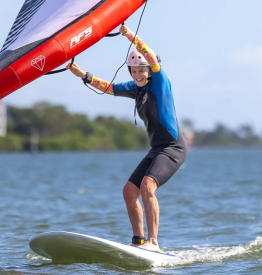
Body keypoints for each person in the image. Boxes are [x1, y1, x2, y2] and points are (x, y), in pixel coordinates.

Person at [68, 24, 187, 252]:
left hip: (173, 148)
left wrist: (130, 36)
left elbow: (150, 56)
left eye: (141, 70)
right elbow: (109, 87)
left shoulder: (160, 82)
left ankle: (154, 242)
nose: (137, 74)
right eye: (133, 70)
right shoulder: (136, 88)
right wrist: (84, 75)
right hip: (156, 149)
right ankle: (138, 241)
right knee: (129, 191)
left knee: (147, 186)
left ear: (150, 70)